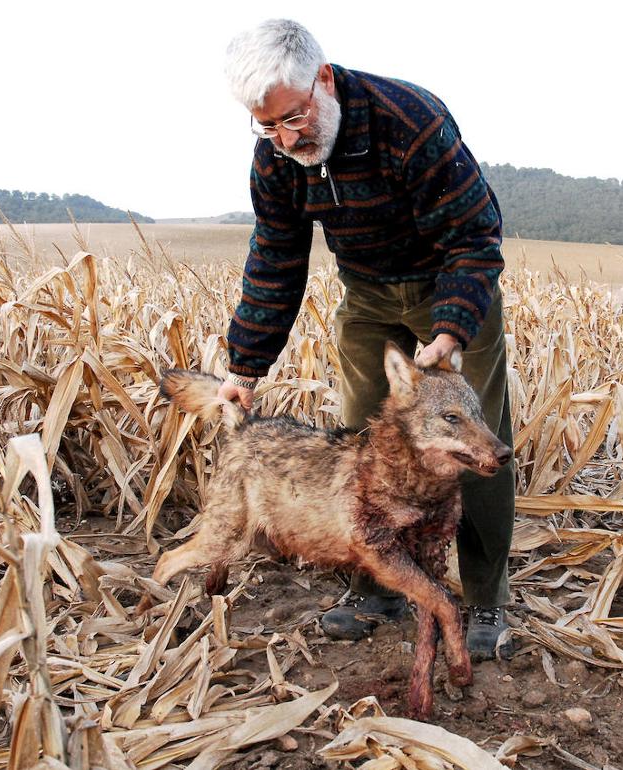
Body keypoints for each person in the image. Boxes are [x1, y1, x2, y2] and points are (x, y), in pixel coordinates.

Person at [216, 18, 515, 660]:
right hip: (370, 293)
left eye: (293, 118)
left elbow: (474, 238)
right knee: (360, 443)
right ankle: (374, 586)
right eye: (266, 126)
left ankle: (487, 595)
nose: (284, 138)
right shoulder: (276, 157)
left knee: (476, 442)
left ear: (323, 80)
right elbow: (275, 255)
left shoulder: (410, 119)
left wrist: (449, 331)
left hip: (448, 284)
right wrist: (244, 366)